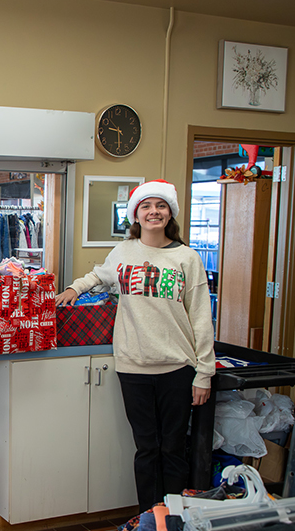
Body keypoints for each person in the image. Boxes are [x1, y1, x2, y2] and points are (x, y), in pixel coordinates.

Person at [56, 179, 215, 512]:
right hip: (133, 367)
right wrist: (74, 289)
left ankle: (174, 518)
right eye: (146, 206)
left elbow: (201, 318)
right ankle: (149, 518)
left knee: (173, 448)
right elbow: (99, 275)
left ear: (169, 213)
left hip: (177, 368)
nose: (153, 212)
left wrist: (204, 373)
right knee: (146, 448)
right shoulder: (124, 251)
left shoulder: (187, 258)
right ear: (136, 215)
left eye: (160, 206)